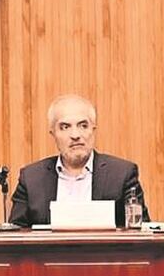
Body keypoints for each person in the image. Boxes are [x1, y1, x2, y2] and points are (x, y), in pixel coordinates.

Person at [9, 94, 149, 228]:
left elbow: (141, 233)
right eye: (65, 127)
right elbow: (15, 237)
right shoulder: (31, 179)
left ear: (93, 129)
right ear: (53, 134)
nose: (75, 135)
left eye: (83, 126)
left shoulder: (121, 174)